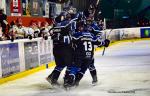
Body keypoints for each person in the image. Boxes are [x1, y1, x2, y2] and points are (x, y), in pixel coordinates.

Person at [46, 12, 76, 87]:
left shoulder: (56, 24)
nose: (69, 18)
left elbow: (50, 33)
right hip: (65, 47)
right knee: (70, 64)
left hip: (56, 48)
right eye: (68, 17)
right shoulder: (68, 23)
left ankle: (52, 78)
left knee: (60, 64)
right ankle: (67, 82)